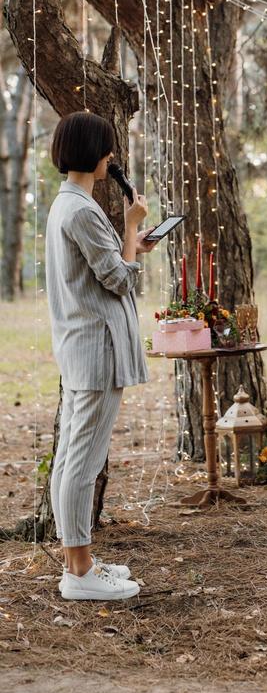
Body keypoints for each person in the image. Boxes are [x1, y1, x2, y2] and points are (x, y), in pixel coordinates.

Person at [45, 112, 156, 600]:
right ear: (94, 152)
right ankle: (80, 574)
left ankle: (79, 560)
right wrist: (132, 225)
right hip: (96, 349)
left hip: (82, 346)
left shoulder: (68, 204)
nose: (113, 158)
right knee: (82, 463)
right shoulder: (83, 210)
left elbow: (108, 268)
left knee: (71, 456)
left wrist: (132, 243)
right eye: (108, 148)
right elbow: (121, 280)